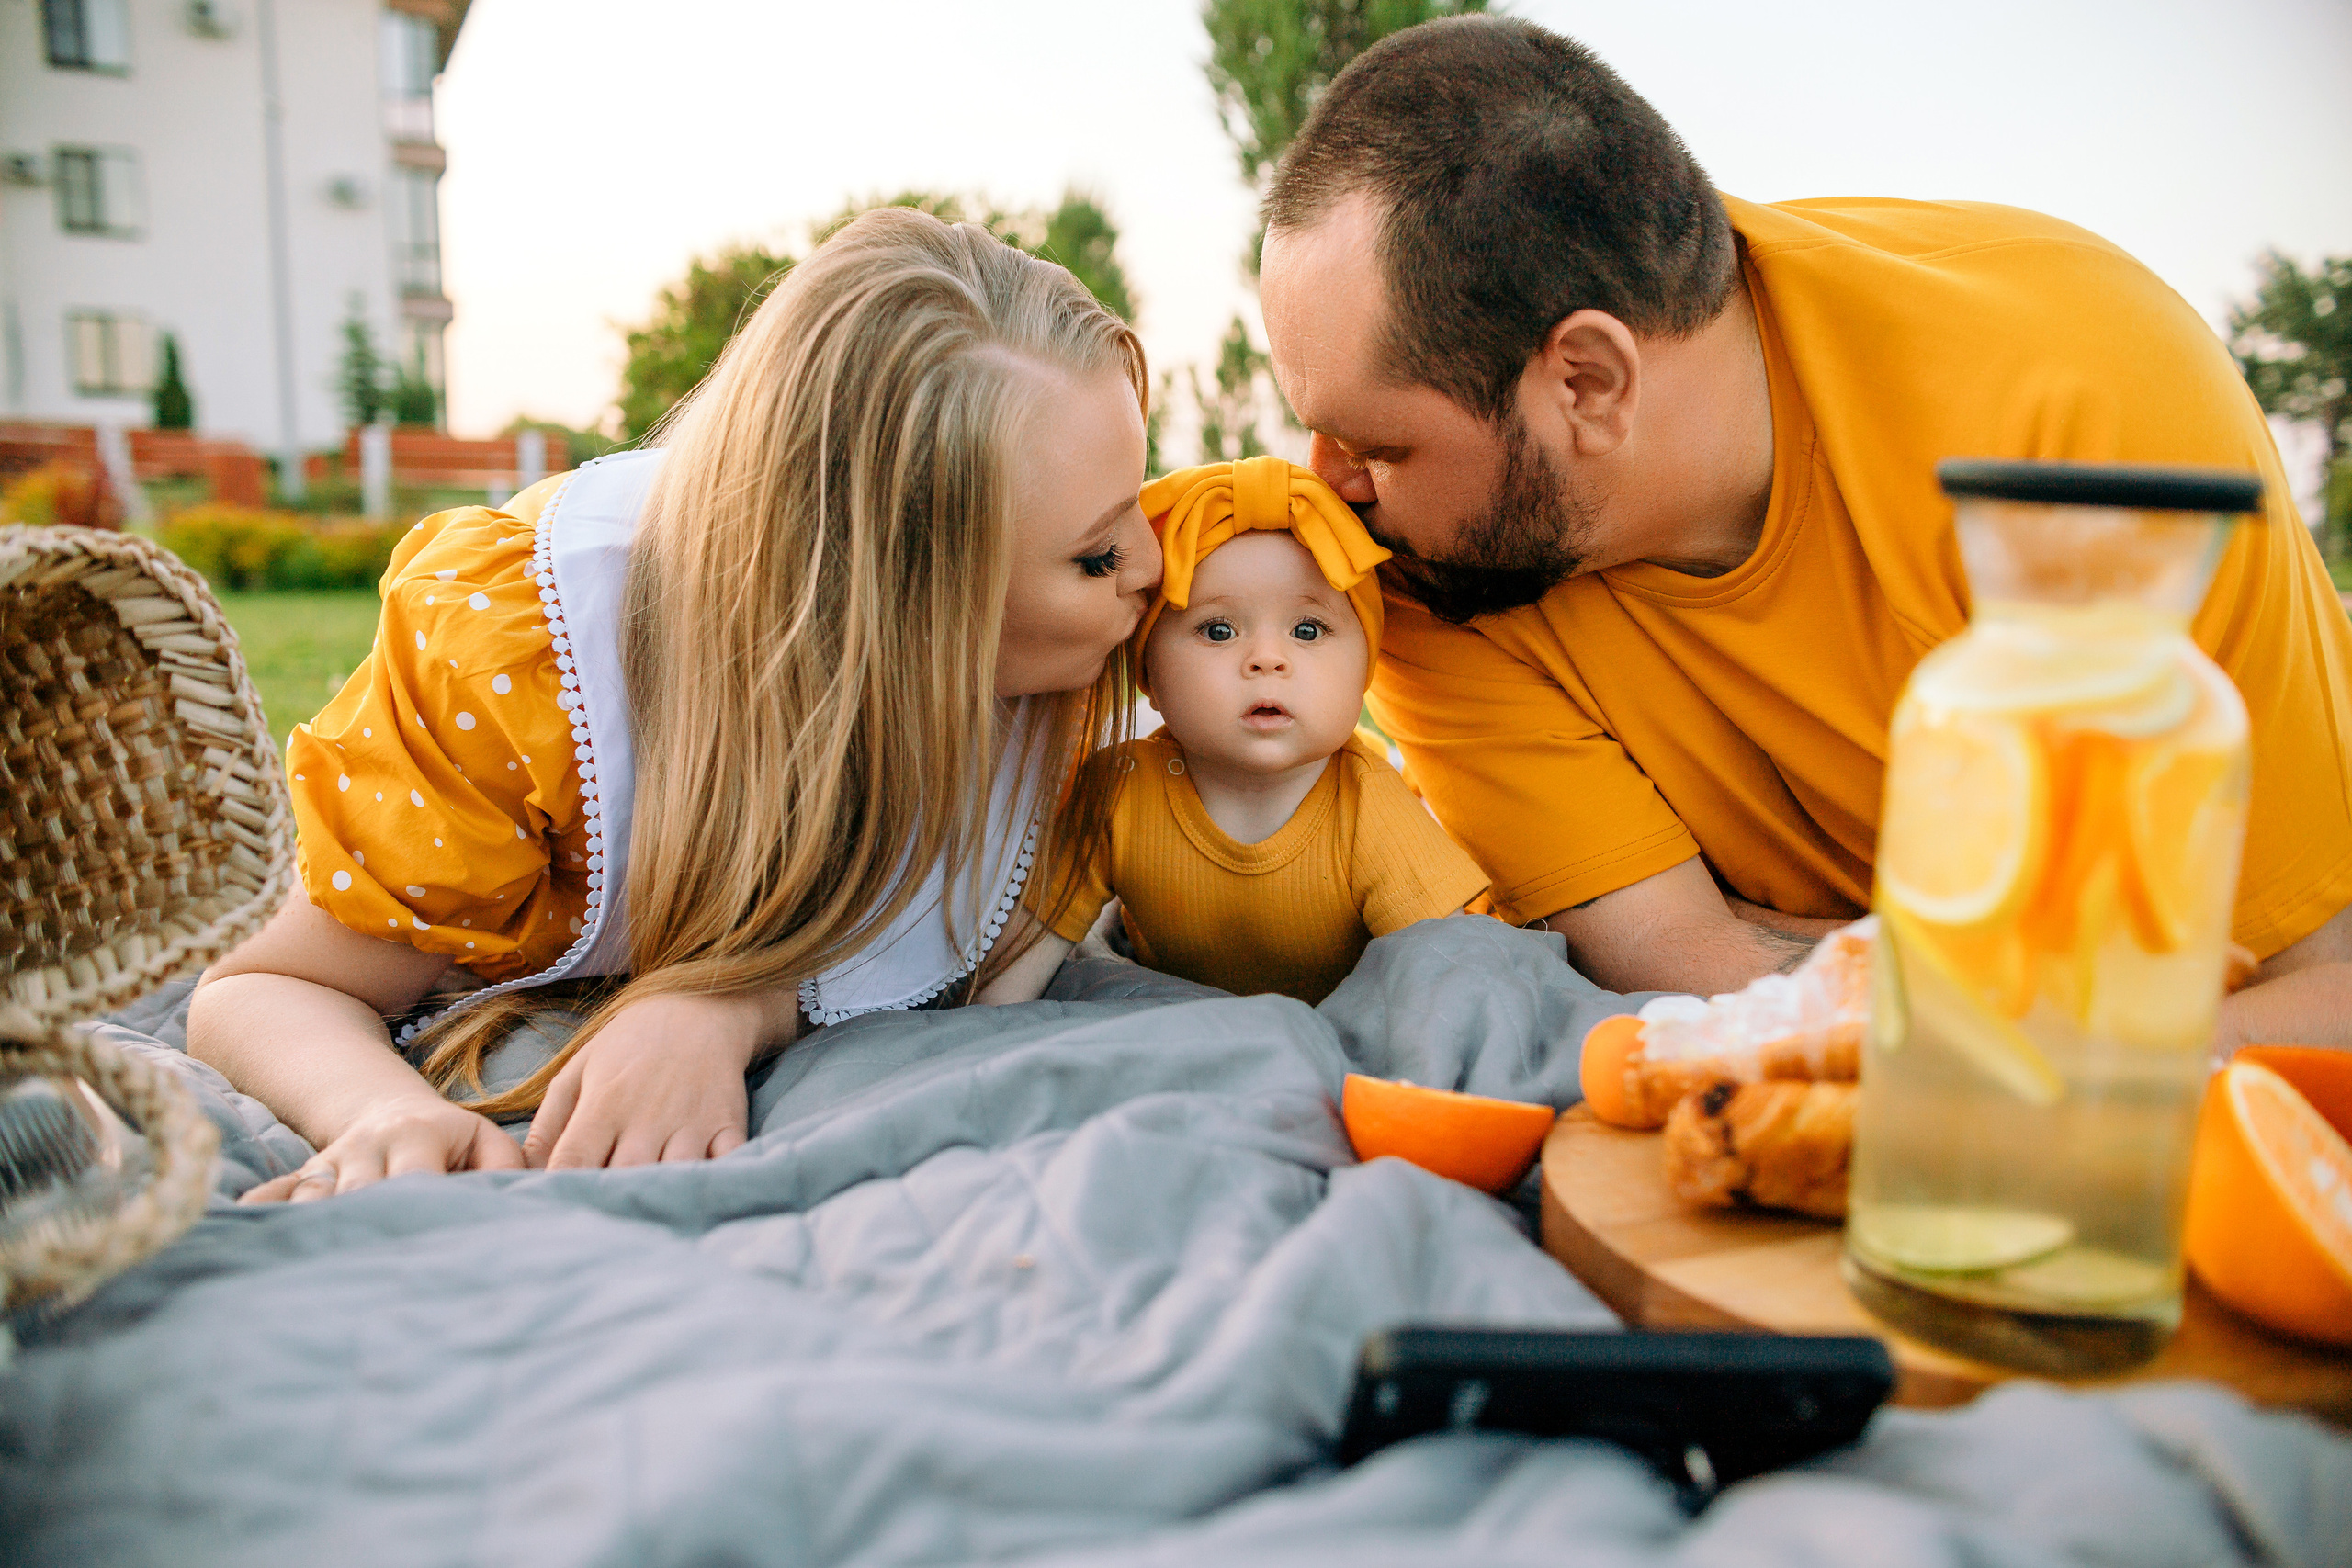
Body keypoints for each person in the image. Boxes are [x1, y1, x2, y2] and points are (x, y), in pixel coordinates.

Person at [1253, 16, 2352, 1047]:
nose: (1328, 486)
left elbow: (2321, 982)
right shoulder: (1428, 576)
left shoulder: (2087, 416)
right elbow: (1696, 964)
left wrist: (1999, 1058)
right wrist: (2076, 1005)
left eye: (1381, 445)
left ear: (1585, 380)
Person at [189, 209, 1164, 1200]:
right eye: (1095, 554)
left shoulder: (1074, 676)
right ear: (904, 612)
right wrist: (385, 1112)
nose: (1156, 565)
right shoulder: (528, 673)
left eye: (1142, 496)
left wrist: (728, 1004)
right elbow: (264, 985)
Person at [981, 457, 1487, 1006]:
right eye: (1218, 630)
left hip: (1336, 1025)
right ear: (1148, 669)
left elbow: (1448, 978)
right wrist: (982, 1033)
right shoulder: (1119, 791)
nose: (1267, 659)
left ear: (1365, 668)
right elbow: (1031, 945)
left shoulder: (1365, 803)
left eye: (1308, 630)